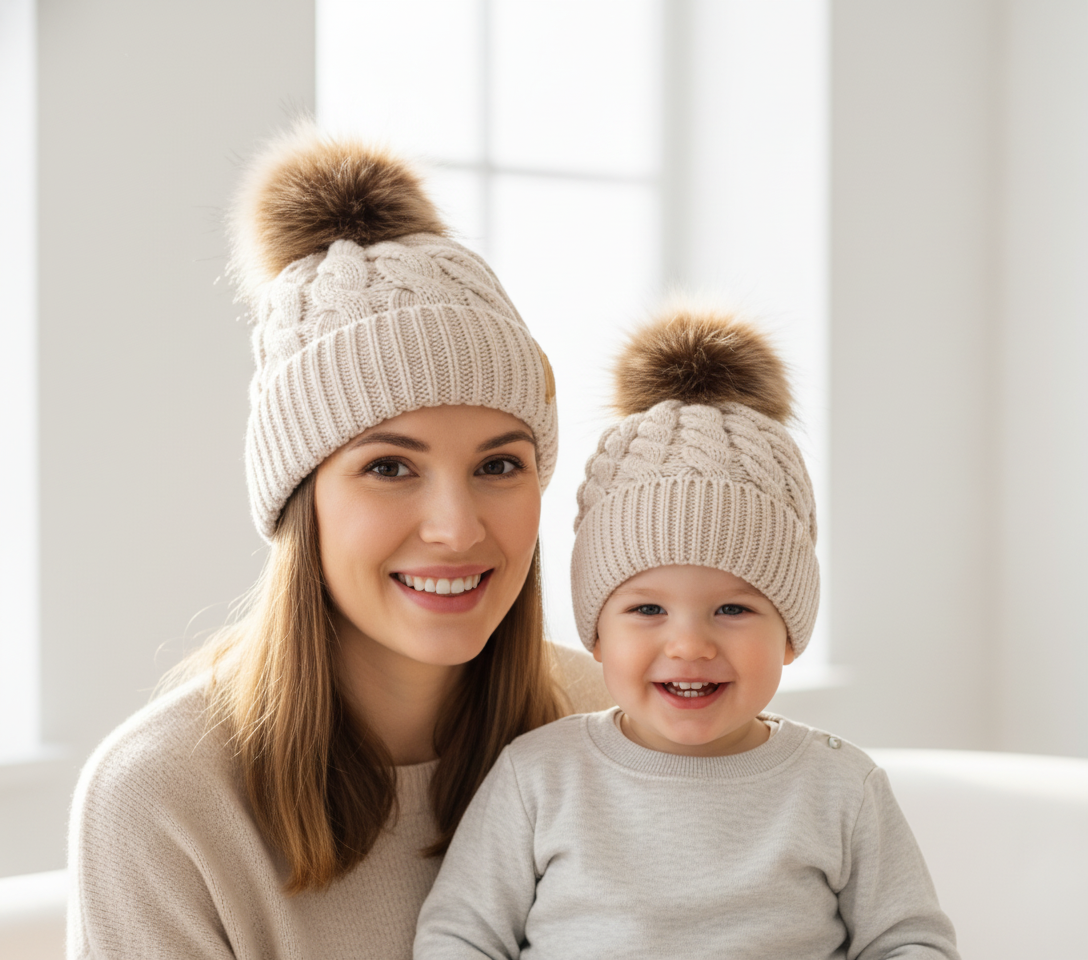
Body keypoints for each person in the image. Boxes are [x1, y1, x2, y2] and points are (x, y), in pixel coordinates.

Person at [66, 127, 611, 960]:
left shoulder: (613, 722)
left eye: (500, 464)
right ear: (300, 499)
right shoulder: (161, 798)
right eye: (390, 466)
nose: (457, 527)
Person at [414, 307, 960, 959]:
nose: (690, 645)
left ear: (790, 634)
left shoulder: (841, 788)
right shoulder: (539, 777)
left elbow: (910, 938)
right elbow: (460, 933)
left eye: (732, 610)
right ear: (597, 637)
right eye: (648, 611)